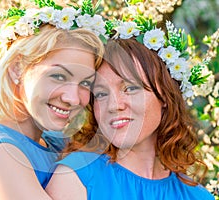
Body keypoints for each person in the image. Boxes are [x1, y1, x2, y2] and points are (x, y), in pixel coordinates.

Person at [46, 20, 215, 199]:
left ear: (165, 95)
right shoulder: (76, 178)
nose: (114, 105)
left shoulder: (197, 196)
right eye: (101, 94)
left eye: (130, 88)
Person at [0, 2, 106, 199]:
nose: (73, 98)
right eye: (59, 76)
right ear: (17, 69)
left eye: (85, 83)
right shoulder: (0, 154)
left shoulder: (59, 144)